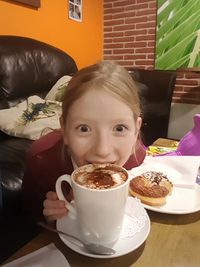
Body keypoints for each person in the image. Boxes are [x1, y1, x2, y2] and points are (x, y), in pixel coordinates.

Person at [22, 61, 146, 224]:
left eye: (120, 128)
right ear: (65, 130)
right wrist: (49, 217)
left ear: (136, 131)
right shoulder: (41, 161)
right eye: (84, 129)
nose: (102, 150)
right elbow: (26, 215)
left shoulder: (136, 156)